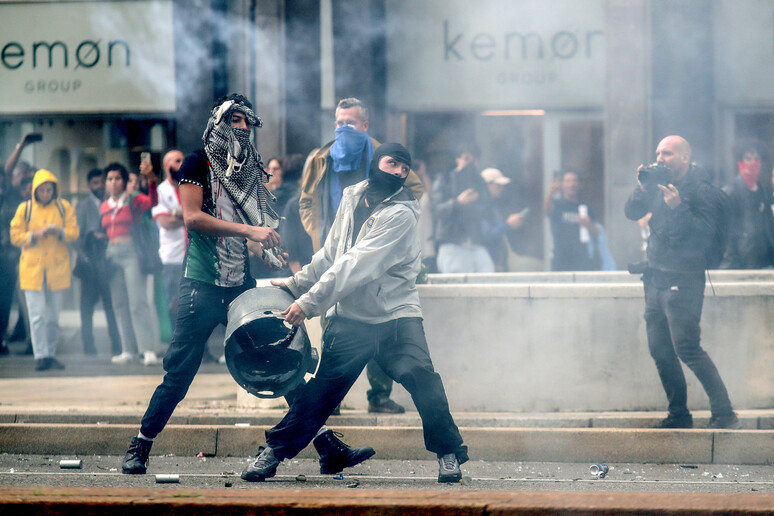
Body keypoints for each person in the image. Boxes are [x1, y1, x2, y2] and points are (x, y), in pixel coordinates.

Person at [121, 93, 371, 476]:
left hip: (241, 287)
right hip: (201, 287)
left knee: (281, 362)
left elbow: (245, 233)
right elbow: (192, 219)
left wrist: (265, 246)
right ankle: (139, 445)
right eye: (234, 120)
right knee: (179, 374)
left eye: (245, 122)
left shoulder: (245, 169)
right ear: (218, 123)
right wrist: (250, 229)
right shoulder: (196, 162)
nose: (240, 127)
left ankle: (326, 447)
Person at [241, 143, 468, 484]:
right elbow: (332, 253)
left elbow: (356, 264)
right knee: (322, 394)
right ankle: (274, 452)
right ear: (377, 163)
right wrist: (296, 284)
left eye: (404, 169)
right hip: (351, 319)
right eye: (392, 164)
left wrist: (309, 303)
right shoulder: (351, 196)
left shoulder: (402, 214)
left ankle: (448, 453)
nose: (397, 172)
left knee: (423, 379)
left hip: (396, 316)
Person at [299, 97, 424, 414]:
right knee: (335, 323)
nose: (343, 129)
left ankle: (379, 395)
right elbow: (306, 199)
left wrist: (393, 226)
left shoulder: (385, 155)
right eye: (339, 123)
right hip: (334, 242)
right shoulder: (321, 157)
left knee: (380, 330)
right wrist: (319, 233)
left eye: (350, 123)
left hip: (377, 253)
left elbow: (414, 189)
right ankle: (332, 397)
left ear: (365, 126)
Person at [624, 135, 739, 429]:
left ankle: (724, 414)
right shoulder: (656, 184)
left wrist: (677, 206)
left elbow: (703, 237)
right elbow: (631, 212)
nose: (660, 158)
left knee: (687, 348)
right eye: (658, 152)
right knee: (659, 350)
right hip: (655, 279)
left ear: (685, 157)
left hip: (684, 282)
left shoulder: (702, 192)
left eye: (668, 153)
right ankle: (679, 414)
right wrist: (642, 187)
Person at [9, 169, 79, 370]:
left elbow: (74, 232)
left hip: (57, 269)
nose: (46, 194)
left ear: (54, 189)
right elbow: (15, 235)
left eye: (49, 190)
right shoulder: (25, 209)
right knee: (37, 315)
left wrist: (61, 233)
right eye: (42, 190)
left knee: (53, 317)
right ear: (35, 191)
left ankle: (50, 353)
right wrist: (33, 235)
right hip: (33, 270)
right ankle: (40, 355)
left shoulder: (63, 207)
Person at [100, 162, 161, 366]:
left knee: (138, 302)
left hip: (131, 251)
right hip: (112, 253)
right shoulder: (104, 205)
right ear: (106, 183)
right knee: (119, 304)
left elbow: (152, 202)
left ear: (124, 181)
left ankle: (147, 349)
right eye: (110, 179)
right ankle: (127, 349)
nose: (114, 182)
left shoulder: (133, 199)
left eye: (117, 178)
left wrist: (151, 180)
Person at [74, 168, 122, 356]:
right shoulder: (83, 205)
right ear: (89, 185)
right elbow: (75, 236)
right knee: (87, 308)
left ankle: (117, 345)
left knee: (111, 306)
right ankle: (88, 346)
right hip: (88, 263)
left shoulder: (111, 203)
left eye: (102, 182)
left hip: (107, 261)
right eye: (95, 183)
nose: (100, 186)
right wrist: (89, 240)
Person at [431, 143, 496, 273]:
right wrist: (458, 202)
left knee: (488, 280)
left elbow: (489, 213)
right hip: (452, 243)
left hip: (476, 242)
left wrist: (478, 200)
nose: (470, 164)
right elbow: (436, 210)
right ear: (457, 159)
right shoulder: (444, 180)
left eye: (474, 160)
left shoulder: (480, 182)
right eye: (466, 159)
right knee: (458, 288)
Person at [720, 142, 774, 269]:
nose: (753, 164)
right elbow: (727, 233)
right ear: (740, 162)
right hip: (739, 264)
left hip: (764, 263)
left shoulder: (764, 192)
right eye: (748, 159)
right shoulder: (731, 192)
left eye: (757, 159)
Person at [151, 150, 186, 322]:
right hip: (172, 257)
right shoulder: (160, 191)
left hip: (193, 256)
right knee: (173, 303)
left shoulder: (189, 187)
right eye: (177, 161)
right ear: (167, 166)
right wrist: (190, 218)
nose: (182, 164)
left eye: (183, 160)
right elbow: (165, 222)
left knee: (193, 304)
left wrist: (178, 214)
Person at [543, 170, 601, 271]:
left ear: (580, 185)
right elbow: (546, 210)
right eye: (568, 181)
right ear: (562, 185)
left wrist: (588, 225)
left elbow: (597, 232)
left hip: (582, 258)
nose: (571, 184)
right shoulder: (557, 204)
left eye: (574, 181)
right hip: (560, 258)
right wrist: (550, 193)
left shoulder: (585, 207)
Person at [480, 168, 526, 272]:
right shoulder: (480, 206)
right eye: (498, 185)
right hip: (484, 262)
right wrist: (508, 225)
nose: (502, 188)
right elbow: (486, 235)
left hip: (496, 260)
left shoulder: (494, 205)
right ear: (487, 185)